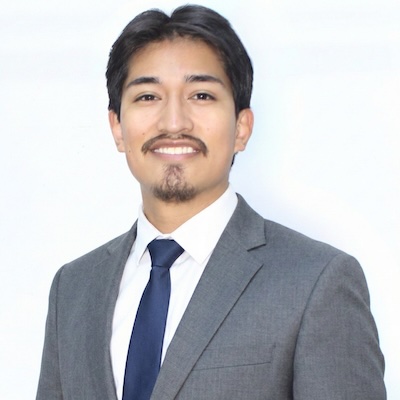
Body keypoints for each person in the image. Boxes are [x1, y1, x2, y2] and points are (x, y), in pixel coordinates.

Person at [36, 5, 386, 400]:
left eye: (201, 95)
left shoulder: (316, 282)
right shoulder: (74, 288)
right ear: (118, 127)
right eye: (148, 96)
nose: (173, 122)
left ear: (242, 128)